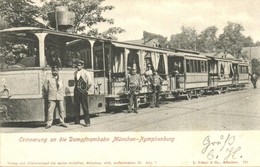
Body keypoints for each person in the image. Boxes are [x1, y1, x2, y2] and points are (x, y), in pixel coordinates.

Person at [74, 60, 93, 126]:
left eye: (79, 65)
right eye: (77, 65)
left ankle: (87, 122)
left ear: (82, 66)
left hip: (83, 91)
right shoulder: (75, 72)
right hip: (76, 91)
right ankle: (77, 121)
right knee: (76, 106)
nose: (78, 66)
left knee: (85, 106)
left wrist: (86, 89)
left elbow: (90, 82)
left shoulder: (85, 72)